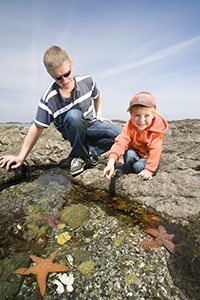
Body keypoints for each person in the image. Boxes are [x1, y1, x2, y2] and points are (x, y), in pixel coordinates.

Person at [0, 46, 122, 175]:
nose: (64, 81)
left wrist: (99, 115)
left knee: (121, 134)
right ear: (50, 74)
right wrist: (20, 157)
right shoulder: (49, 98)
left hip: (91, 125)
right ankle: (79, 157)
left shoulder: (87, 81)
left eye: (67, 74)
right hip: (72, 129)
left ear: (71, 65)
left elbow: (98, 97)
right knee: (74, 115)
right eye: (58, 78)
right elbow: (36, 128)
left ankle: (87, 152)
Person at [103, 91, 168, 180]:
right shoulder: (129, 125)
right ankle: (127, 170)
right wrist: (111, 161)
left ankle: (146, 169)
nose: (141, 120)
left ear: (153, 115)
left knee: (139, 166)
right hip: (134, 153)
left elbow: (156, 149)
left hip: (147, 158)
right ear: (130, 114)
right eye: (137, 115)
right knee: (129, 154)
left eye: (146, 116)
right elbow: (121, 141)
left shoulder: (157, 128)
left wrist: (149, 169)